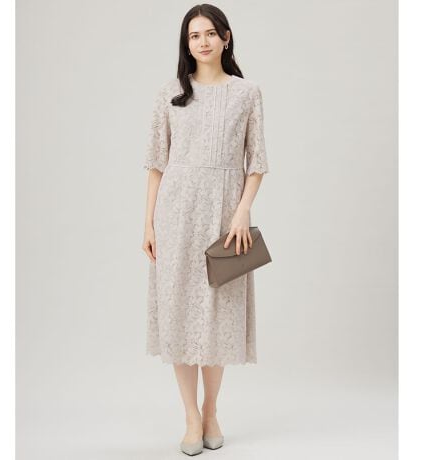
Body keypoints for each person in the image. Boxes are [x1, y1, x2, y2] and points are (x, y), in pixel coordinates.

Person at [142, 4, 269, 456]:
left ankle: (212, 410)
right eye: (194, 35)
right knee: (180, 314)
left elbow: (257, 162)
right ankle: (191, 418)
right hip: (175, 215)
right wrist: (148, 223)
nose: (202, 42)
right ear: (186, 43)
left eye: (210, 33)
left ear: (226, 37)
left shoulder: (247, 93)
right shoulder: (170, 94)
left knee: (217, 316)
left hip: (224, 218)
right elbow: (156, 163)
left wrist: (242, 211)